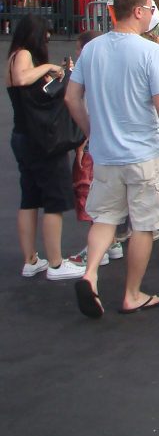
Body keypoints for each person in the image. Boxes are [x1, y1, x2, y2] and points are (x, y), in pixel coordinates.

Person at [65, 0, 159, 316]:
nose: (153, 14)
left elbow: (71, 97)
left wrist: (92, 132)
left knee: (104, 218)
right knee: (144, 225)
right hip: (143, 153)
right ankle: (132, 293)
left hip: (106, 154)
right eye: (151, 9)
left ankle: (90, 274)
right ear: (138, 11)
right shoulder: (150, 52)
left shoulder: (92, 49)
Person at [9, 14, 83, 281]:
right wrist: (50, 67)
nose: (48, 38)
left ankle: (31, 260)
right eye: (45, 34)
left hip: (24, 136)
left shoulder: (16, 54)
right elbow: (20, 79)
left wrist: (57, 72)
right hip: (41, 140)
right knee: (54, 200)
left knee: (29, 198)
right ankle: (55, 263)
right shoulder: (23, 55)